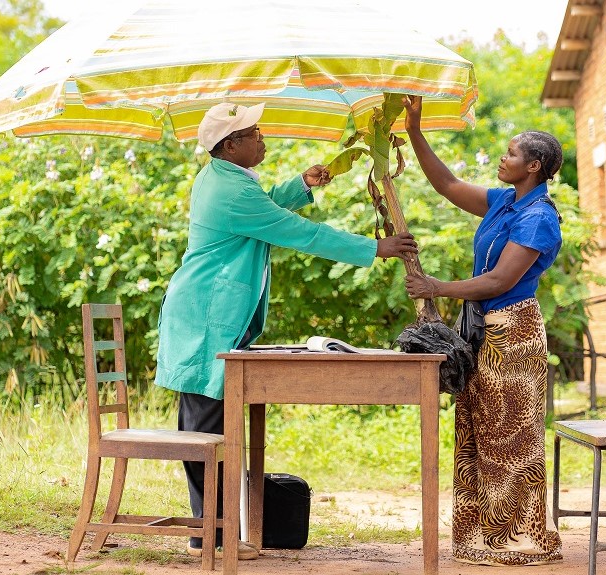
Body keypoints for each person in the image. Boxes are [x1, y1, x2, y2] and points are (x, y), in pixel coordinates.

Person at [155, 102, 418, 560]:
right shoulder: (233, 191)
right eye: (254, 134)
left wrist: (301, 185)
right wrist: (374, 247)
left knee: (209, 424)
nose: (263, 138)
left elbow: (268, 206)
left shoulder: (226, 178)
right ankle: (212, 537)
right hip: (204, 317)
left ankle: (211, 531)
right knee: (205, 427)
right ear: (231, 145)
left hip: (205, 311)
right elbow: (296, 231)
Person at [401, 95, 564, 566]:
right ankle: (481, 537)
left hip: (512, 334)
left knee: (510, 436)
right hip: (482, 330)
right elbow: (448, 184)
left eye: (511, 153)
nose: (502, 157)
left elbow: (499, 281)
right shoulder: (504, 202)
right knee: (477, 428)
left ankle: (522, 538)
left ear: (533, 166)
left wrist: (436, 286)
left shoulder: (538, 217)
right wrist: (414, 130)